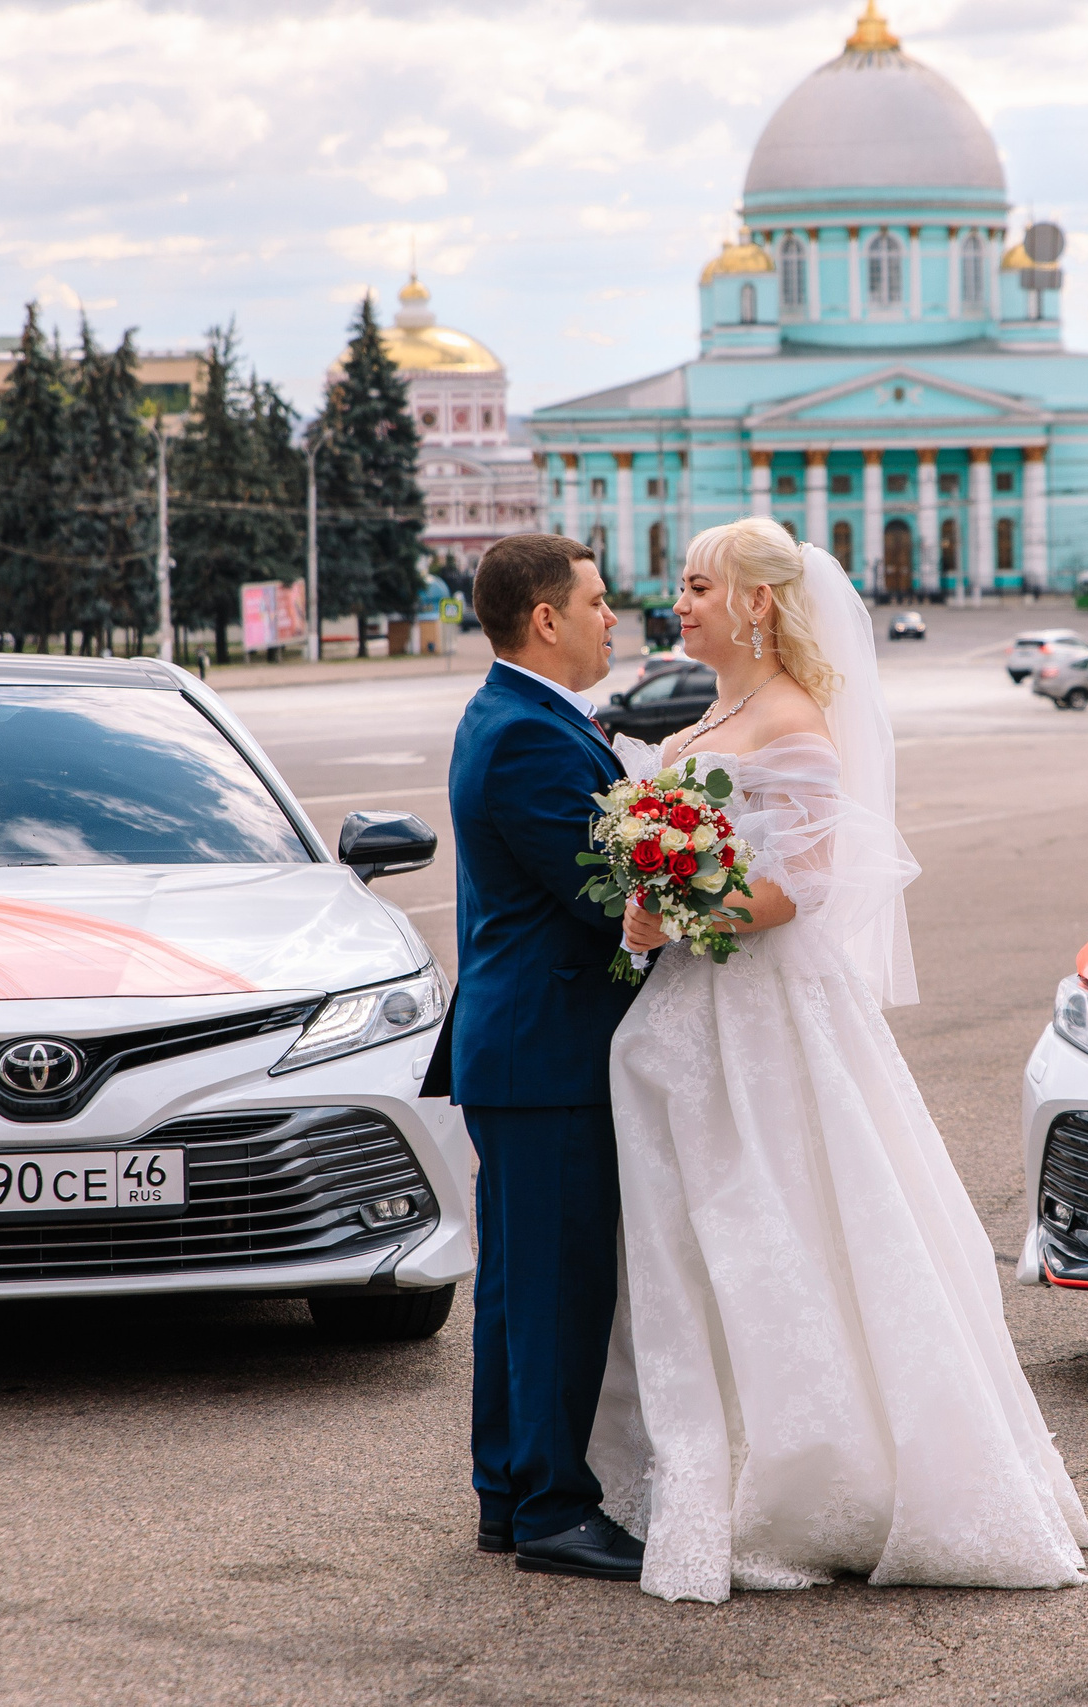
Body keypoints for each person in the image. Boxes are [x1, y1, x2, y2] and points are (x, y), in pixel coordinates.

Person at [590, 517, 1088, 1604]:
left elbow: (799, 887)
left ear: (758, 603)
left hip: (768, 1016)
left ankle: (826, 1476)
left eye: (696, 586)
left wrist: (669, 912)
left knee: (787, 1219)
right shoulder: (713, 713)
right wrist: (651, 900)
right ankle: (707, 1457)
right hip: (694, 1014)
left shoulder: (791, 721)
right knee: (704, 1233)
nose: (676, 603)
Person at [421, 533, 648, 1582]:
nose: (614, 618)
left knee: (520, 1282)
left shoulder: (522, 716)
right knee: (555, 1285)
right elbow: (608, 900)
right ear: (545, 618)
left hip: (525, 1049)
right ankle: (554, 1506)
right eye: (598, 602)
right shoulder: (524, 735)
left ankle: (509, 1494)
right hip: (547, 1051)